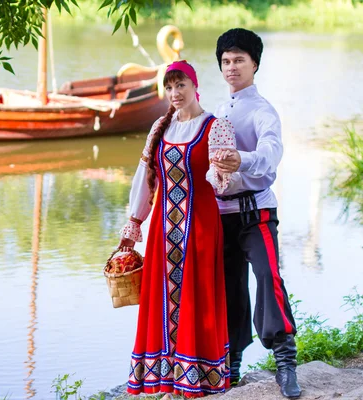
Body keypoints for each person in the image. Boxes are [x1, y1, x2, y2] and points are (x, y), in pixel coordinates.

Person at [118, 60, 235, 398]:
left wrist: (220, 169)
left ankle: (195, 379)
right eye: (169, 87)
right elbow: (146, 179)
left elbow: (221, 182)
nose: (174, 93)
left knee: (197, 298)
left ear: (194, 86)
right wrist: (134, 222)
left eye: (180, 85)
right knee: (163, 303)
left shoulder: (216, 126)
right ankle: (168, 382)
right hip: (163, 230)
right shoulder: (160, 127)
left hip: (199, 228)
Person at [212, 28, 301, 399]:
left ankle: (285, 362)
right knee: (229, 286)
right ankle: (231, 363)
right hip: (221, 215)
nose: (232, 67)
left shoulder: (263, 111)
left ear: (255, 64)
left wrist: (241, 160)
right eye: (226, 61)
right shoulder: (218, 112)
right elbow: (207, 165)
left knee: (268, 278)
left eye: (239, 60)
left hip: (256, 213)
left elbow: (270, 153)